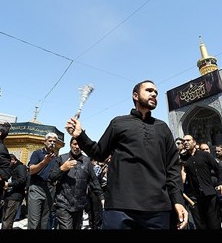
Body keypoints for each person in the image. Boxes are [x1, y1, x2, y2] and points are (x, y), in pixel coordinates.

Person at [65, 80, 188, 229]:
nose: (154, 94)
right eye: (149, 90)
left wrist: (178, 200)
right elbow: (99, 153)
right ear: (135, 95)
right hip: (120, 207)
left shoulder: (162, 128)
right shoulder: (119, 123)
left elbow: (173, 168)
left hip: (158, 209)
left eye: (156, 92)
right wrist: (80, 135)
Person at [48, 137, 104, 229]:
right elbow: (51, 178)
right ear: (70, 145)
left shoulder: (86, 161)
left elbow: (94, 181)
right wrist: (62, 169)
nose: (77, 147)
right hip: (63, 203)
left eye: (79, 145)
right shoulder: (62, 158)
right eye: (74, 144)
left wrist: (101, 198)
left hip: (79, 205)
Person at [27, 132, 61, 229]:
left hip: (50, 189)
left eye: (54, 141)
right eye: (50, 141)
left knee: (45, 220)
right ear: (44, 142)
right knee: (34, 220)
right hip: (37, 188)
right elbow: (31, 170)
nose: (52, 143)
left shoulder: (57, 158)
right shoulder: (37, 153)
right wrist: (44, 162)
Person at [1, 154, 28, 229]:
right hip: (9, 194)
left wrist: (9, 184)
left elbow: (22, 180)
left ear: (13, 160)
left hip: (15, 195)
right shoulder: (12, 168)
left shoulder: (20, 167)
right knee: (5, 216)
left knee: (8, 217)